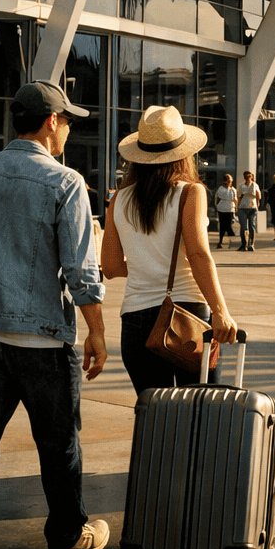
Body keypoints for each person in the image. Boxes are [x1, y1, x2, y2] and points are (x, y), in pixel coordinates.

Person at [0, 80, 109, 549]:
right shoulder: (66, 183)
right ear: (50, 123)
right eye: (65, 120)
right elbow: (83, 272)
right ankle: (66, 538)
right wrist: (98, 334)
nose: (66, 129)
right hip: (44, 339)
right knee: (58, 444)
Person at [101, 106, 238, 396]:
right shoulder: (191, 191)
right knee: (200, 412)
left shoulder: (119, 199)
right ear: (184, 153)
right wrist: (220, 311)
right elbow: (199, 254)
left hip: (135, 322)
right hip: (187, 315)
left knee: (157, 419)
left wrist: (145, 264)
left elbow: (110, 267)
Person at [236, 171, 261, 252]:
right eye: (246, 178)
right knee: (243, 227)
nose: (247, 179)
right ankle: (244, 244)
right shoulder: (242, 186)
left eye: (249, 177)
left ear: (251, 177)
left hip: (252, 207)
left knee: (252, 226)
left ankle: (251, 243)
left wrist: (257, 204)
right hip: (243, 207)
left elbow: (258, 196)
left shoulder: (255, 185)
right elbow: (239, 197)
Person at [214, 173, 238, 249]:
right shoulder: (221, 189)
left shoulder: (233, 190)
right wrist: (217, 207)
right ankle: (220, 241)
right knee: (222, 225)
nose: (228, 182)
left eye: (229, 180)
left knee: (228, 224)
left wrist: (235, 209)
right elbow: (217, 198)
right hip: (222, 209)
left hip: (230, 209)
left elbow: (235, 200)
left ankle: (230, 235)